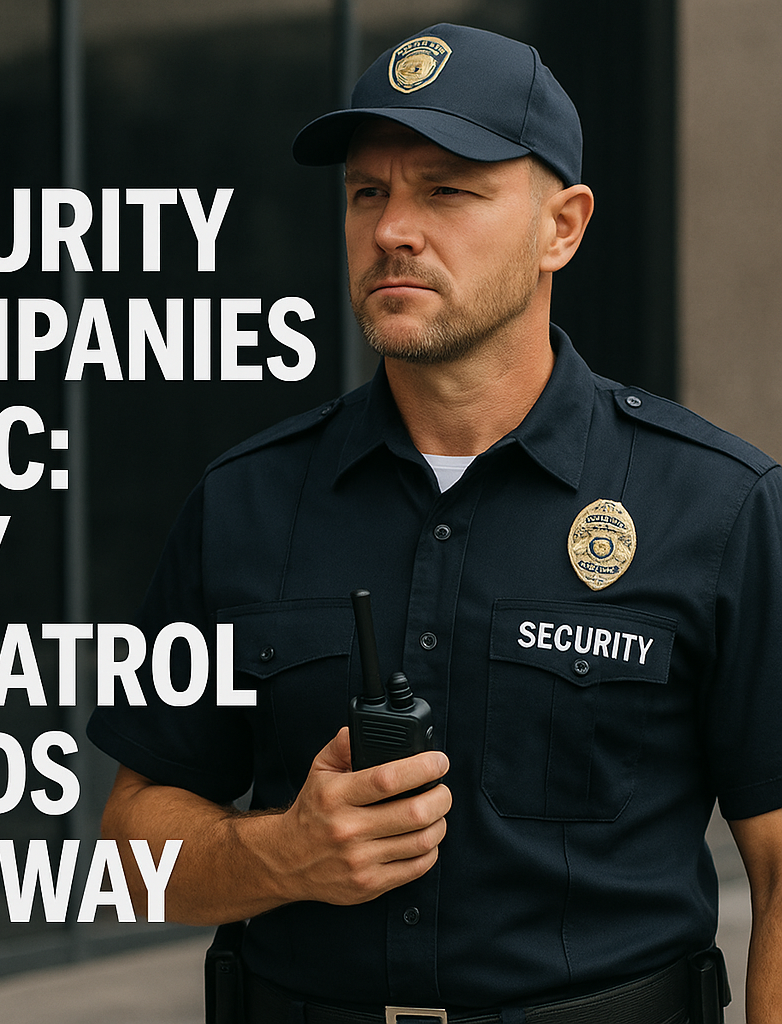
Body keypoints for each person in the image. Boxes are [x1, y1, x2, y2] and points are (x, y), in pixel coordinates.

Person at [89, 22, 782, 1024]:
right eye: (366, 191)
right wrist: (283, 854)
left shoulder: (715, 506)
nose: (391, 229)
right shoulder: (244, 502)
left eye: (446, 188)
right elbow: (133, 852)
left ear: (563, 227)